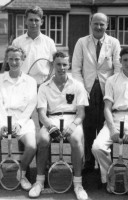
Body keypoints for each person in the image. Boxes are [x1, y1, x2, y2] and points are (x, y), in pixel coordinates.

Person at [29, 51, 89, 200]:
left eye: (64, 64)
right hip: (52, 120)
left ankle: (78, 184)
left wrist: (74, 125)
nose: (61, 67)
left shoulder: (78, 85)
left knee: (75, 140)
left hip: (72, 120)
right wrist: (50, 127)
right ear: (53, 65)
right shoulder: (44, 87)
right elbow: (41, 114)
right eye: (58, 64)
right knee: (42, 140)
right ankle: (39, 182)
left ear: (68, 65)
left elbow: (81, 113)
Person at [92, 46, 128, 195]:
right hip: (115, 119)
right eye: (125, 60)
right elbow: (107, 108)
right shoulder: (111, 80)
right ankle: (109, 176)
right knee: (97, 147)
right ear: (120, 61)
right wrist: (111, 129)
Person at [72, 12, 121, 172]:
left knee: (106, 127)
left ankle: (105, 163)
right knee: (87, 127)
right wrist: (81, 90)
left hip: (106, 91)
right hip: (87, 90)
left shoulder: (113, 42)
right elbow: (76, 69)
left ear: (107, 25)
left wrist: (113, 91)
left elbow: (117, 68)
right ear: (90, 23)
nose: (99, 27)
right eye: (96, 23)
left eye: (102, 24)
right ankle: (88, 162)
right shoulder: (81, 42)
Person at [0, 46, 37, 191]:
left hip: (24, 119)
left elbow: (31, 105)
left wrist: (20, 124)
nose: (14, 62)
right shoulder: (0, 79)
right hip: (2, 117)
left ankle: (21, 174)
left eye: (17, 59)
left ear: (23, 60)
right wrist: (3, 123)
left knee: (32, 146)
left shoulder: (30, 81)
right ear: (7, 60)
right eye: (11, 59)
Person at [12, 5, 56, 85]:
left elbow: (54, 65)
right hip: (22, 85)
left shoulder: (49, 42)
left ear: (41, 22)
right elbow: (13, 65)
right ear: (25, 21)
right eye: (31, 20)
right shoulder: (17, 42)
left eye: (36, 20)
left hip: (43, 85)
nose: (33, 23)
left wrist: (47, 82)